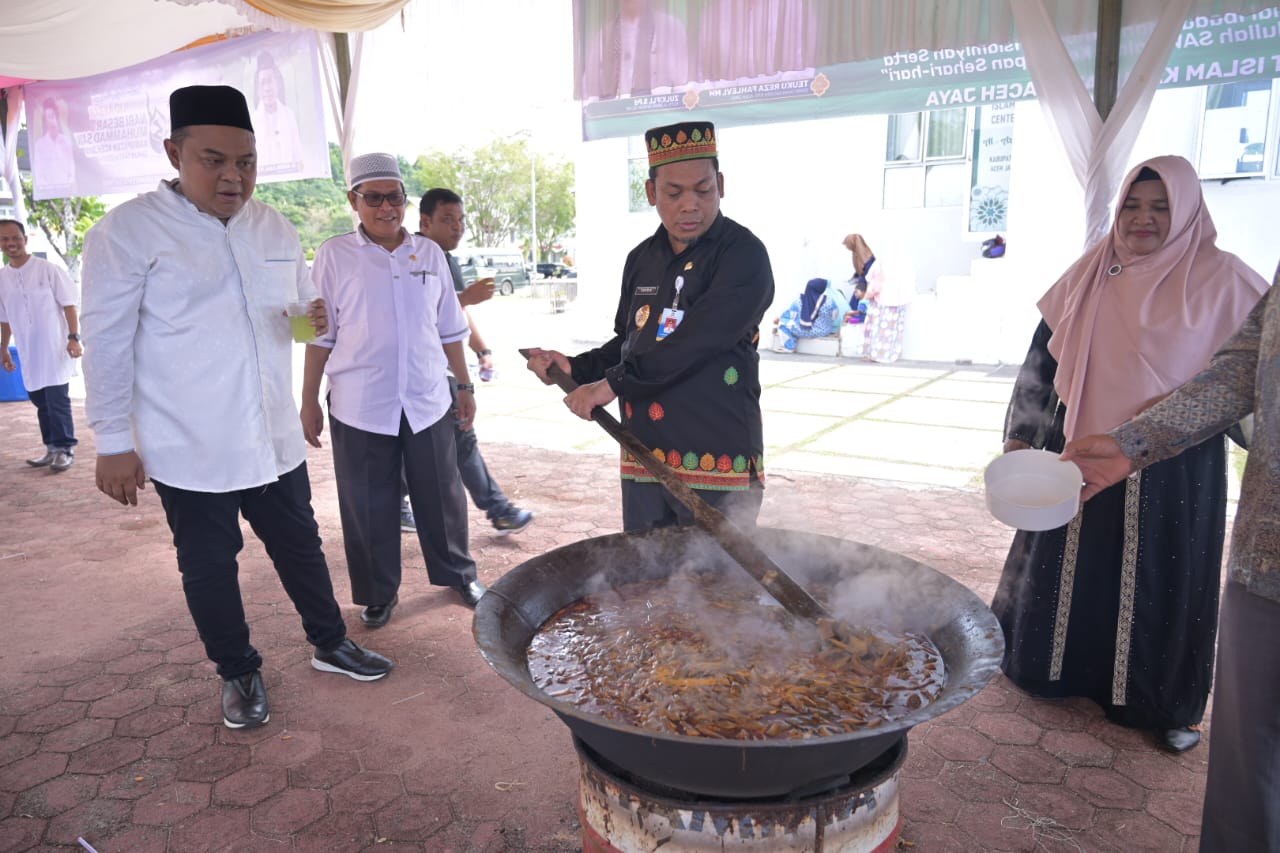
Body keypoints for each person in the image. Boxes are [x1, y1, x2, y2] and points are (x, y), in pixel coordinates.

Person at [81, 85, 393, 731]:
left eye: (246, 161)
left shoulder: (272, 224)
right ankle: (238, 669)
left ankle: (330, 642)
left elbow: (301, 319)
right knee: (208, 566)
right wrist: (112, 438)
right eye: (213, 159)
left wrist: (307, 322)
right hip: (187, 440)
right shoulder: (128, 231)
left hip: (271, 433)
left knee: (301, 546)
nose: (233, 176)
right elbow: (106, 340)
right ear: (174, 152)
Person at [990, 155, 1268, 756]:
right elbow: (1044, 357)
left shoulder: (1231, 285)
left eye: (1161, 206)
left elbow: (1251, 383)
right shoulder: (1093, 272)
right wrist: (1022, 431)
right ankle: (1050, 670)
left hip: (1174, 466)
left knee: (1162, 575)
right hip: (1079, 447)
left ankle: (1162, 702)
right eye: (1133, 206)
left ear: (1190, 211)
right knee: (1068, 561)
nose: (1143, 219)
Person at [1061, 274, 1278, 853]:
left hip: (1186, 484)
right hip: (1269, 551)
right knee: (1249, 765)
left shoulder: (1223, 276)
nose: (1144, 216)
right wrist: (1135, 440)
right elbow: (1242, 370)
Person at [525, 121, 774, 532]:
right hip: (645, 457)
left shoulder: (743, 256)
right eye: (674, 193)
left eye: (703, 189)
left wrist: (609, 386)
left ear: (722, 185)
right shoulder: (642, 259)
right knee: (645, 584)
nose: (690, 205)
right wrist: (575, 367)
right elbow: (630, 342)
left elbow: (696, 342)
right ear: (650, 193)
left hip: (717, 462)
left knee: (720, 589)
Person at [301, 154, 486, 630]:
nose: (386, 208)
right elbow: (319, 335)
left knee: (442, 494)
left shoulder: (429, 254)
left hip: (426, 397)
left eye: (395, 197)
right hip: (360, 402)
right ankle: (378, 592)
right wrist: (306, 401)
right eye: (374, 198)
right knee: (367, 503)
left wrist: (463, 384)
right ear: (353, 201)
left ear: (407, 200)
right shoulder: (334, 255)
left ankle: (458, 574)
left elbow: (449, 327)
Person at [399, 187, 534, 536]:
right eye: (448, 220)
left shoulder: (445, 257)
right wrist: (465, 297)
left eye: (460, 220)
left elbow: (455, 315)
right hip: (420, 372)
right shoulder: (417, 255)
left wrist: (482, 350)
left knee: (436, 439)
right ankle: (498, 510)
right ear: (425, 222)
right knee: (458, 439)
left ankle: (401, 503)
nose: (457, 227)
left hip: (442, 371)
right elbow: (428, 312)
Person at [0, 219, 81, 472]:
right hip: (28, 350)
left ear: (25, 239)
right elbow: (5, 319)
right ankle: (51, 448)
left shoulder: (48, 269)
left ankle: (64, 449)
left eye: (15, 237)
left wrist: (73, 337)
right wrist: (4, 349)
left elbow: (69, 304)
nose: (11, 243)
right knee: (39, 400)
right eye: (4, 239)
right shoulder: (2, 278)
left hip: (55, 346)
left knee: (57, 400)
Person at [581, 0, 689, 100]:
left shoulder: (670, 28)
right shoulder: (604, 36)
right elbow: (589, 94)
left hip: (662, 115)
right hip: (618, 115)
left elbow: (683, 88)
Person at [844, 233, 912, 363]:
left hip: (880, 301)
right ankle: (888, 354)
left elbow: (873, 279)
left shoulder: (882, 261)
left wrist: (867, 295)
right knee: (891, 331)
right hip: (897, 302)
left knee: (877, 329)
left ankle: (874, 354)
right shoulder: (903, 262)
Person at [249, 52, 305, 175]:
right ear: (257, 90)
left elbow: (299, 157)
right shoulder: (252, 121)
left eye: (270, 81)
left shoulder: (289, 115)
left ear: (278, 84)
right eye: (263, 83)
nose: (267, 88)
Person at [772, 276, 849, 353]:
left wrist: (781, 319)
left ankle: (789, 347)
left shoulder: (799, 302)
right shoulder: (829, 301)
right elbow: (834, 316)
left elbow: (792, 317)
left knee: (783, 323)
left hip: (808, 330)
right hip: (826, 331)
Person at [33, 98, 75, 195]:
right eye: (50, 117)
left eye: (55, 116)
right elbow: (39, 174)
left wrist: (67, 185)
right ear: (45, 122)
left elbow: (71, 169)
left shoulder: (66, 141)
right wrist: (49, 189)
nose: (53, 120)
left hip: (67, 190)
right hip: (49, 192)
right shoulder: (40, 145)